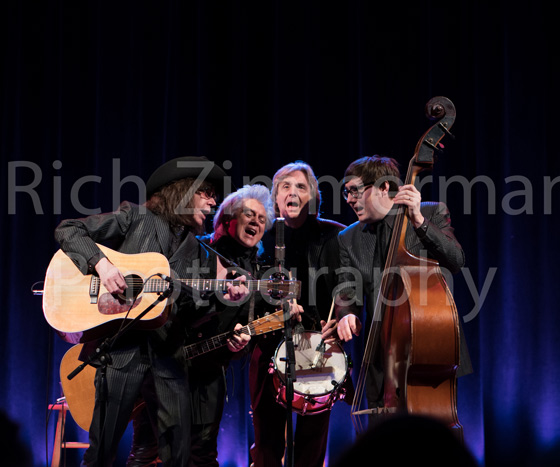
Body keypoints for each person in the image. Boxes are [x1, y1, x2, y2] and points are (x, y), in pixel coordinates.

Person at [54, 156, 237, 467]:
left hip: (169, 357)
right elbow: (68, 230)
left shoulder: (202, 254)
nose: (212, 202)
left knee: (178, 455)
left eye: (214, 197)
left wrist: (226, 296)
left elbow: (194, 313)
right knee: (101, 452)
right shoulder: (137, 217)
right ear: (181, 191)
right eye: (205, 192)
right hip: (123, 352)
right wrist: (103, 265)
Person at [335, 155, 472, 421]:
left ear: (384, 187)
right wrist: (347, 313)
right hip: (379, 357)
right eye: (346, 193)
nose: (349, 200)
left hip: (428, 348)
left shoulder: (430, 213)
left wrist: (419, 221)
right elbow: (346, 288)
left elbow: (456, 261)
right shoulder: (348, 238)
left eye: (355, 191)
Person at [249, 162, 346, 467]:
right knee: (267, 440)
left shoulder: (334, 236)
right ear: (275, 198)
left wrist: (343, 314)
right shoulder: (258, 238)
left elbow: (349, 286)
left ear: (313, 196)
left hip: (319, 347)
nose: (293, 192)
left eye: (301, 187)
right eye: (285, 187)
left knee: (312, 443)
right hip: (267, 345)